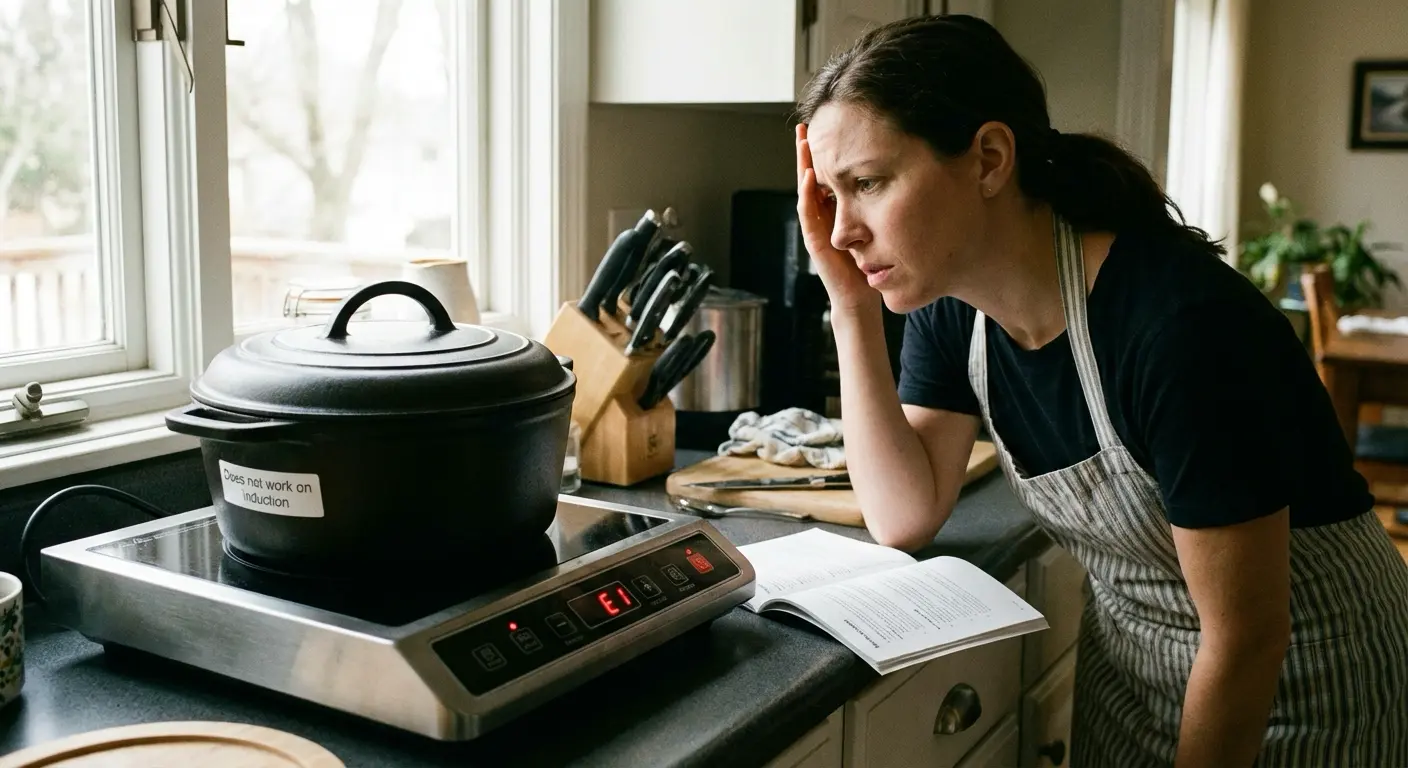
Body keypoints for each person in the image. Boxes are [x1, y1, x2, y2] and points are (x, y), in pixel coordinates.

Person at [791, 13, 1408, 768]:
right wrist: (849, 302)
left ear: (988, 158)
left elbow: (1249, 636)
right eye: (828, 195)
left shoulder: (1179, 328)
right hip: (1135, 680)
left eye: (867, 184)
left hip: (1305, 688)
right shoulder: (953, 306)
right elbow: (904, 513)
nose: (843, 228)